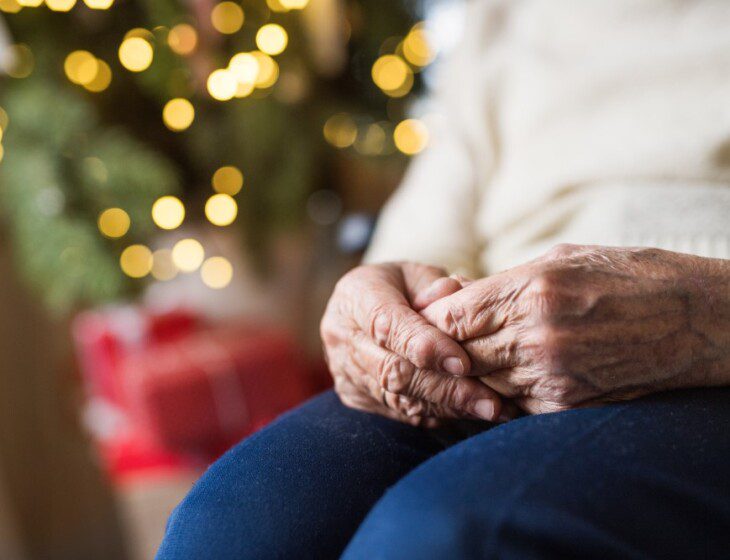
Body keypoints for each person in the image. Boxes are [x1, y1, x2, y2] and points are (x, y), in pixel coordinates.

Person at [156, 1, 730, 558]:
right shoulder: (503, 13)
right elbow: (432, 211)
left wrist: (705, 315)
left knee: (446, 536)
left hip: (708, 362)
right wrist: (384, 299)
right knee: (233, 523)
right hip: (489, 340)